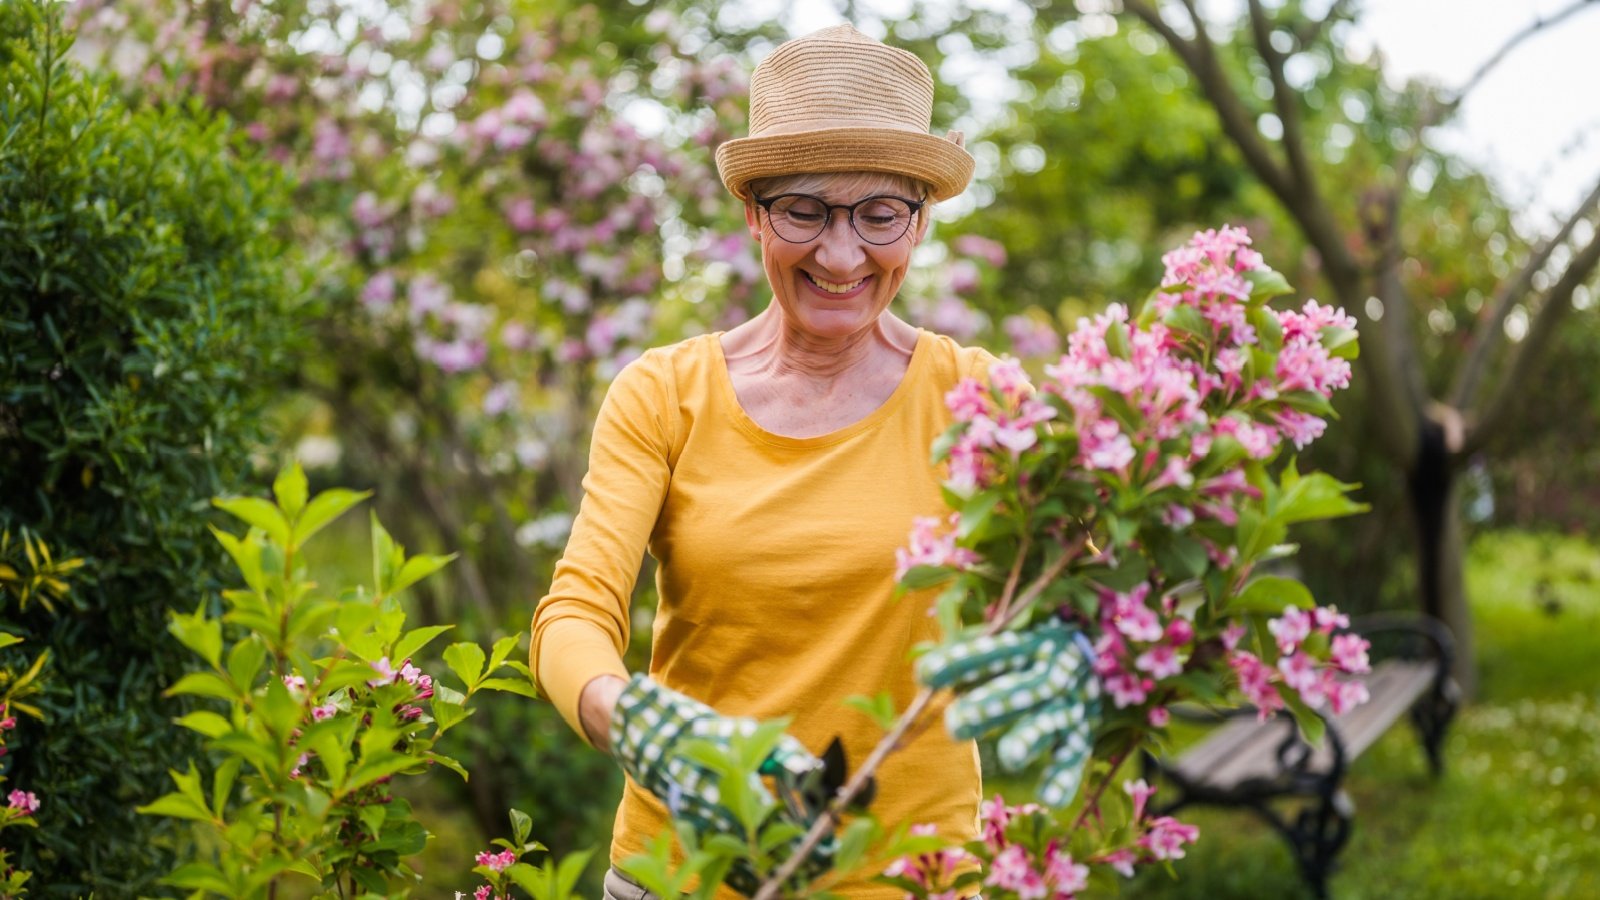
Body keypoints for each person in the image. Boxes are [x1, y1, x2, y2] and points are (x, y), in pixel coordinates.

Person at [529, 23, 993, 899]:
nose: (841, 252)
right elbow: (574, 613)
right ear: (753, 212)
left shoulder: (976, 400)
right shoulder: (664, 394)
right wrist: (630, 718)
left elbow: (1095, 590)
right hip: (687, 873)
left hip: (912, 880)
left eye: (880, 214)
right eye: (805, 210)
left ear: (920, 221)